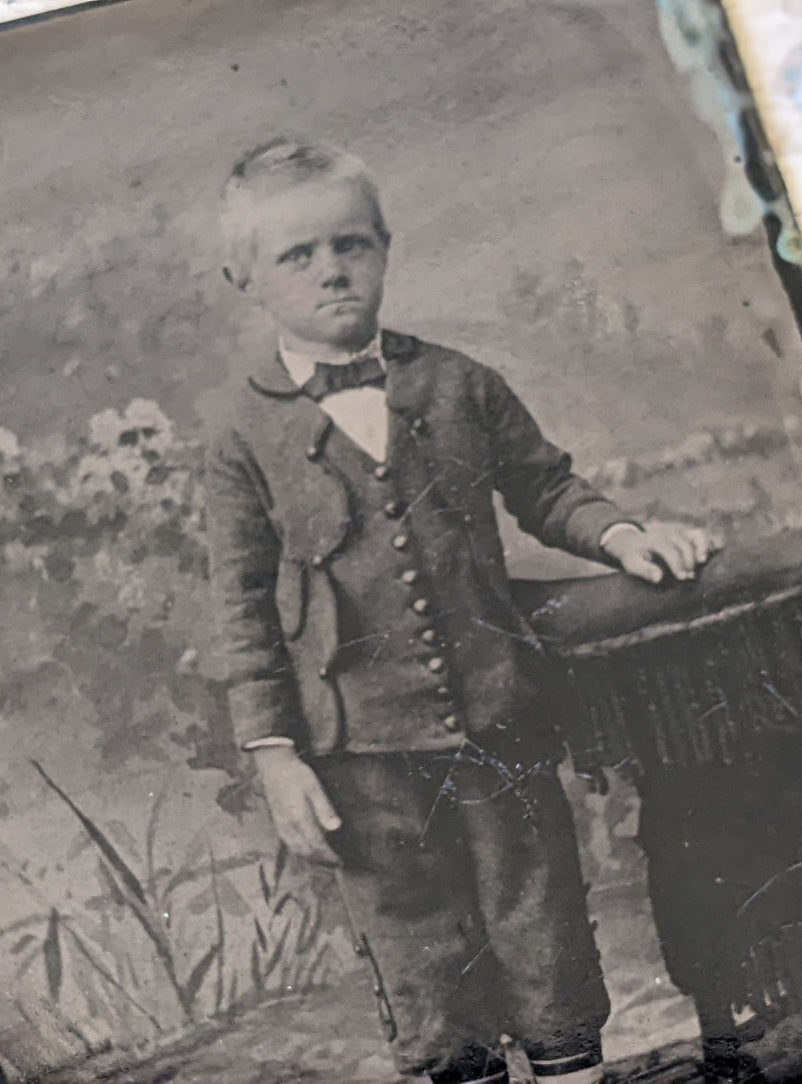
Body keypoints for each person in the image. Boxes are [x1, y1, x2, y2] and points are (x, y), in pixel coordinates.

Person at [204, 137, 717, 1084]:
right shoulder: (242, 438)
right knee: (424, 966)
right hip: (358, 757)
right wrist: (274, 759)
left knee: (544, 935)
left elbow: (545, 486)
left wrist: (618, 535)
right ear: (244, 275)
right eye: (297, 255)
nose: (332, 270)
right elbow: (240, 606)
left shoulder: (458, 383)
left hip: (497, 721)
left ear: (387, 247)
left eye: (351, 244)